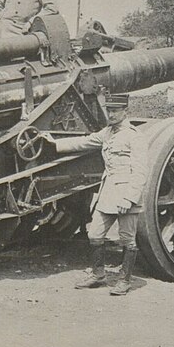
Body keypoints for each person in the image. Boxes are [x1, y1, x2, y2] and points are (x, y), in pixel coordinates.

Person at [42, 93, 146, 296]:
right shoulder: (108, 133)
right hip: (108, 194)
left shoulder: (135, 137)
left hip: (126, 195)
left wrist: (129, 198)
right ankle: (98, 275)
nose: (111, 115)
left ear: (125, 112)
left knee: (127, 239)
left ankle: (124, 280)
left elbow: (141, 171)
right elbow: (85, 141)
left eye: (115, 111)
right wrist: (55, 143)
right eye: (109, 111)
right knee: (95, 234)